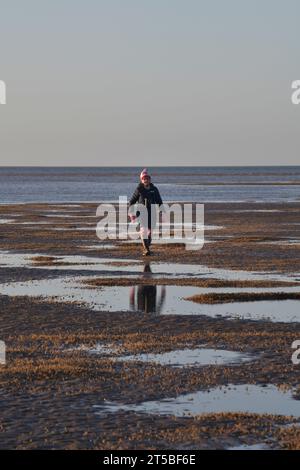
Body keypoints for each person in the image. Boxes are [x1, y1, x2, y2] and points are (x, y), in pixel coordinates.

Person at [129, 168, 163, 256]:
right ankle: (146, 249)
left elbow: (159, 202)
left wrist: (162, 212)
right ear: (141, 179)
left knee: (150, 233)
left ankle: (147, 246)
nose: (146, 180)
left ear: (150, 179)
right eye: (144, 178)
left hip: (152, 213)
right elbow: (131, 202)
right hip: (141, 213)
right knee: (143, 231)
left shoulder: (154, 189)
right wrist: (131, 214)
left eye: (147, 178)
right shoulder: (139, 189)